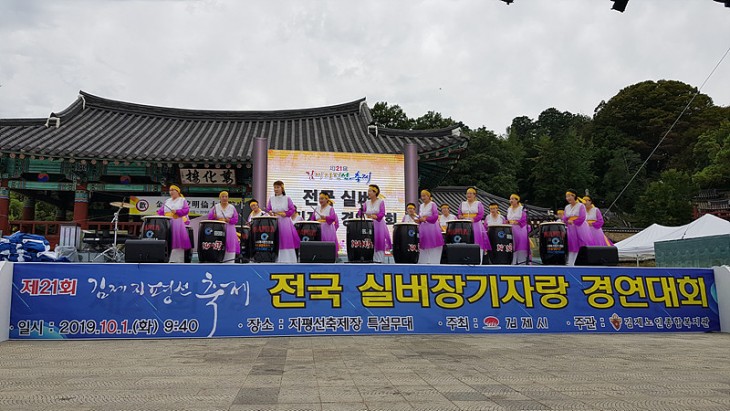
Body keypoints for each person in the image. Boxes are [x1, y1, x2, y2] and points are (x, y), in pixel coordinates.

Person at [266, 181, 300, 263]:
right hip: (275, 221)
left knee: (286, 240)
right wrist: (270, 212)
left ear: (282, 188)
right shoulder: (271, 199)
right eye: (275, 187)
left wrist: (285, 214)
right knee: (277, 239)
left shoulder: (287, 198)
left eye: (278, 187)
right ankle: (276, 259)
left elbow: (292, 209)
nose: (276, 189)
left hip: (284, 221)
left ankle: (288, 259)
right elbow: (268, 209)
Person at [357, 184, 391, 263]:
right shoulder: (367, 202)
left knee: (378, 241)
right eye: (368, 191)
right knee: (369, 241)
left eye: (370, 191)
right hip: (368, 224)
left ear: (375, 192)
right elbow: (361, 212)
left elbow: (382, 213)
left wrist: (374, 216)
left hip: (378, 224)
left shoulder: (380, 202)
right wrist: (361, 211)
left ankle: (379, 260)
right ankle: (369, 258)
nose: (368, 193)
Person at [157, 185, 191, 263]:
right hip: (167, 222)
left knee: (177, 240)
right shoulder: (167, 201)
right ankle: (166, 257)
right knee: (167, 239)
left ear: (178, 192)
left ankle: (177, 259)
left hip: (177, 222)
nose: (171, 192)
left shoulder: (182, 200)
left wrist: (177, 212)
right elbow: (161, 211)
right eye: (170, 190)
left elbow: (186, 210)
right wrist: (158, 213)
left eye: (173, 190)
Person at [207, 191, 239, 263]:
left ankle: (230, 261)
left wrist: (229, 220)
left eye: (226, 196)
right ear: (220, 198)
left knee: (230, 243)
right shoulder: (215, 207)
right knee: (219, 243)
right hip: (218, 228)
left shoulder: (232, 207)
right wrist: (214, 217)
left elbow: (236, 219)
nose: (224, 198)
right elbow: (210, 217)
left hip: (229, 228)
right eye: (223, 196)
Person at [458, 187, 491, 255]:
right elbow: (459, 214)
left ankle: (479, 256)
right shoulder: (463, 203)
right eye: (467, 193)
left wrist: (473, 219)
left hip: (475, 224)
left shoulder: (478, 203)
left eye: (470, 193)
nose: (468, 195)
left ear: (474, 195)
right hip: (465, 223)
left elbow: (481, 214)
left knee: (477, 240)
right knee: (466, 239)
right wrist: (462, 217)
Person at [562, 189, 591, 266]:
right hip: (570, 228)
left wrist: (574, 222)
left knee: (580, 243)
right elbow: (564, 217)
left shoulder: (581, 206)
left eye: (569, 196)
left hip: (580, 227)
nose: (567, 198)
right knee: (572, 244)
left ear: (573, 196)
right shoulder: (567, 207)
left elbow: (582, 217)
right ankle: (570, 262)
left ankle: (581, 261)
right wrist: (566, 221)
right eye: (566, 196)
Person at [417, 190, 443, 264]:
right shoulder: (421, 206)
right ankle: (424, 261)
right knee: (424, 243)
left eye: (424, 196)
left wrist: (426, 218)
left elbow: (435, 216)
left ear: (428, 196)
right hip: (423, 227)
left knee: (432, 242)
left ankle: (433, 261)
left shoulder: (432, 204)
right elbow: (420, 216)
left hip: (431, 226)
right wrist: (419, 220)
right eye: (422, 196)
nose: (423, 197)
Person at [507, 194, 530, 265]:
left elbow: (524, 218)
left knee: (521, 244)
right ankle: (513, 261)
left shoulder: (521, 208)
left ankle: (522, 261)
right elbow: (507, 219)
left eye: (513, 199)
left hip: (520, 228)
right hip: (511, 228)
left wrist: (517, 222)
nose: (511, 200)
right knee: (512, 244)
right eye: (510, 199)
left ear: (517, 200)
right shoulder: (509, 209)